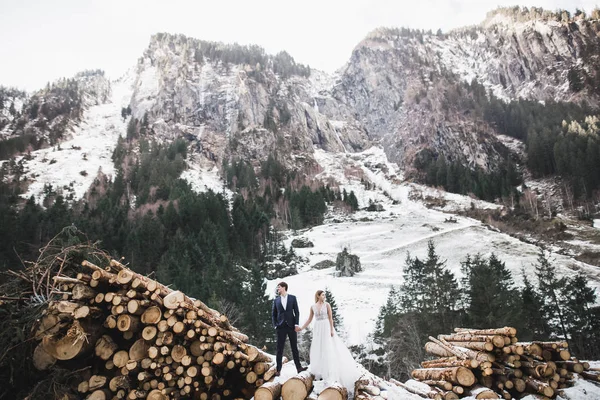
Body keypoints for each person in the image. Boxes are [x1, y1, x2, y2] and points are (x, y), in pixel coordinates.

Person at [298, 290, 364, 392]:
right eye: (323, 295)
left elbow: (330, 318)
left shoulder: (327, 305)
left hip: (326, 327)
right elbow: (310, 319)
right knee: (318, 347)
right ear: (318, 296)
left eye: (324, 295)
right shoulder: (313, 306)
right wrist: (301, 327)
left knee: (328, 347)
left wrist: (332, 329)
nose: (324, 296)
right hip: (318, 328)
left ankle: (329, 370)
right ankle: (320, 370)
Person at [272, 281, 307, 376]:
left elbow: (297, 312)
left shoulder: (292, 298)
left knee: (294, 347)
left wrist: (296, 324)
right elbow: (273, 315)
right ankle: (278, 370)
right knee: (279, 349)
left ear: (284, 287)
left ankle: (299, 368)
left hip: (291, 326)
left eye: (279, 287)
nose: (278, 289)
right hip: (281, 327)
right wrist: (275, 325)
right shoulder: (276, 300)